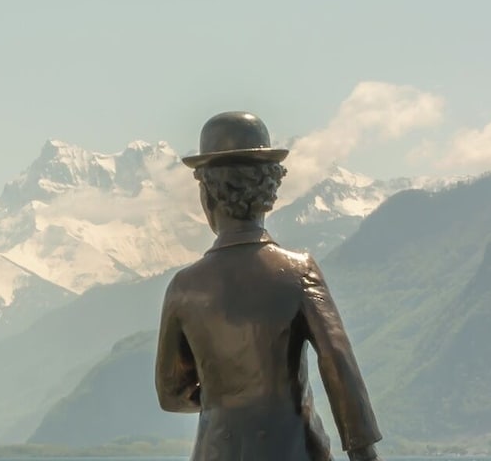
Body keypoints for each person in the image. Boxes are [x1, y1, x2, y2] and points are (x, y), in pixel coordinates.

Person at [154, 111, 384, 461]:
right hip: (294, 449)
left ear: (208, 197)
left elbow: (171, 393)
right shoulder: (297, 272)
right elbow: (338, 364)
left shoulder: (183, 287)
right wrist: (363, 453)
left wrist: (227, 398)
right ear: (269, 192)